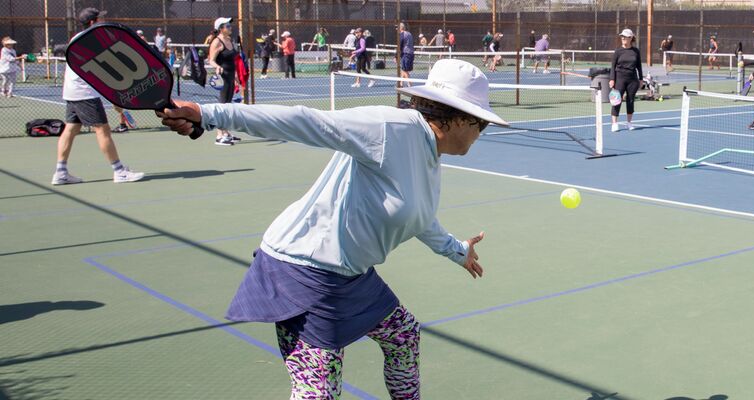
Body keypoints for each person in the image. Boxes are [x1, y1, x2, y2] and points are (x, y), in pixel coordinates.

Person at [154, 58, 502, 400]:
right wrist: (208, 114)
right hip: (302, 271)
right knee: (319, 390)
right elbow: (304, 121)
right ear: (458, 119)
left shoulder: (428, 151)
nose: (481, 133)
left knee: (404, 336)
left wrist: (457, 250)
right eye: (481, 124)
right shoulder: (391, 128)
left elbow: (417, 217)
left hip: (349, 275)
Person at [52, 8, 144, 185]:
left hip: (71, 91)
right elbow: (104, 70)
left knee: (71, 129)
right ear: (93, 22)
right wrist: (115, 96)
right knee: (102, 130)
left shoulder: (76, 38)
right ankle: (119, 171)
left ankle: (60, 172)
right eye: (100, 18)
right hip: (84, 93)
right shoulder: (92, 40)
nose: (104, 20)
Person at [209, 17, 242, 146]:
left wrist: (235, 77)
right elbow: (211, 59)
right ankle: (219, 135)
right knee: (222, 105)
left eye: (230, 25)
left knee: (227, 105)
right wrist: (217, 66)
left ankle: (226, 133)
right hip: (222, 77)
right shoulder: (216, 42)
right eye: (227, 26)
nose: (230, 27)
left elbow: (232, 61)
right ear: (220, 29)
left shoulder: (229, 40)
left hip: (230, 76)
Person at [609, 29, 643, 132]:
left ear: (631, 38)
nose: (623, 38)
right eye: (622, 36)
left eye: (625, 36)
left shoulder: (636, 51)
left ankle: (629, 123)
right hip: (620, 78)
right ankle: (614, 124)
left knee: (630, 101)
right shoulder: (618, 51)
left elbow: (639, 66)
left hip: (632, 79)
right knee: (616, 101)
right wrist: (612, 79)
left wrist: (640, 79)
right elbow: (612, 66)